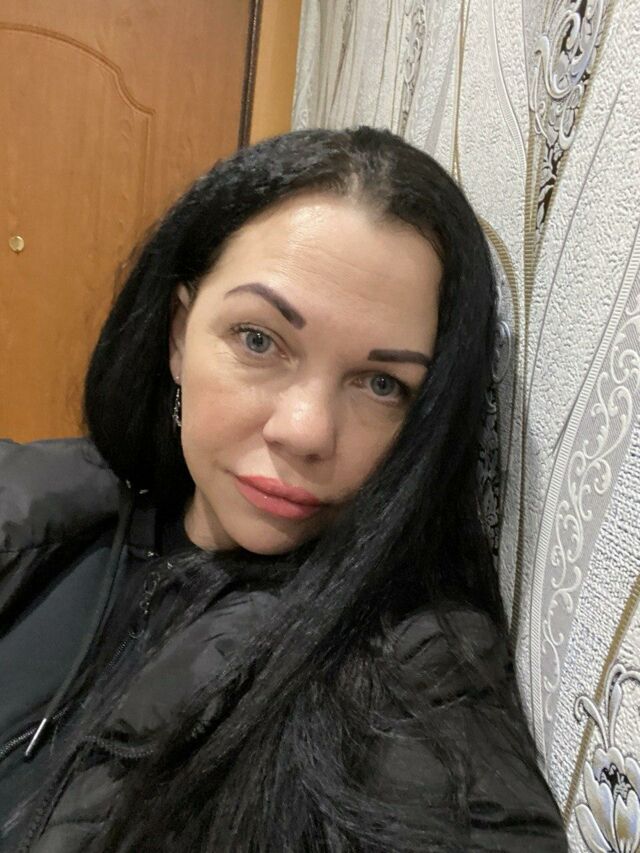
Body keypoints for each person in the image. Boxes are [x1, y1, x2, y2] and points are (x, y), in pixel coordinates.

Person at [0, 127, 568, 852]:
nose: (306, 431)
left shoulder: (410, 667)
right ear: (179, 335)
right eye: (259, 340)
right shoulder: (37, 505)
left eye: (382, 383)